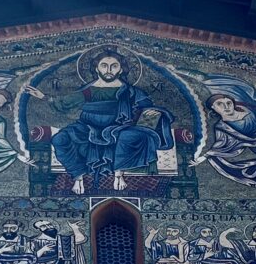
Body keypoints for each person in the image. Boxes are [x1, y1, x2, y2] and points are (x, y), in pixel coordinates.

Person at [51, 48, 174, 194]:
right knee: (60, 138)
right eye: (104, 65)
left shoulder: (129, 91)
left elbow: (146, 106)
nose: (108, 69)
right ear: (96, 68)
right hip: (88, 126)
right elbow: (64, 103)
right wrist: (43, 97)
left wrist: (153, 112)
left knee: (131, 137)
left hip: (120, 126)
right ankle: (78, 177)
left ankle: (118, 174)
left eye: (114, 66)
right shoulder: (89, 90)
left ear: (121, 69)